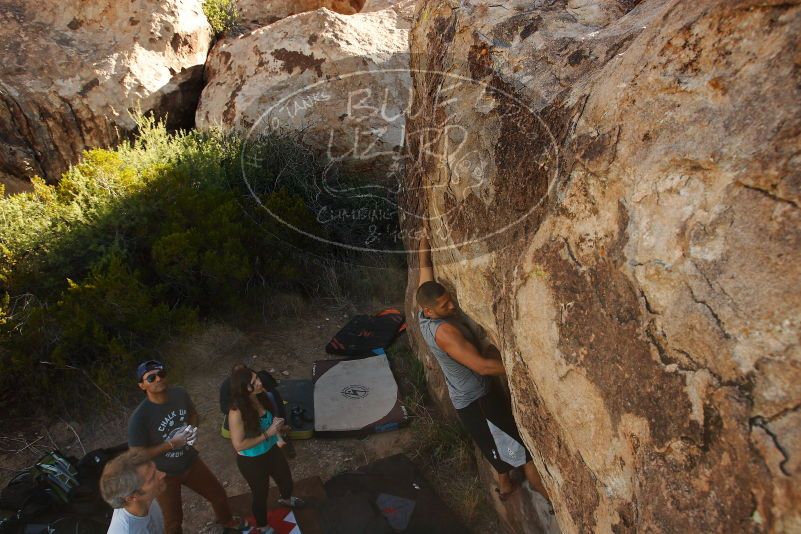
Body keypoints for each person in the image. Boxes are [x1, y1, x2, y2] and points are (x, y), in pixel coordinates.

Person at [415, 235, 552, 504]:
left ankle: (505, 485)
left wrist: (423, 244)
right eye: (445, 306)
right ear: (429, 311)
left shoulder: (425, 314)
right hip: (478, 402)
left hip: (469, 399)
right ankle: (549, 500)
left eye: (449, 299)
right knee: (524, 455)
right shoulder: (446, 333)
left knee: (495, 444)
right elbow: (483, 366)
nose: (452, 306)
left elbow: (424, 273)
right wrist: (525, 371)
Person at [127, 360, 238, 534]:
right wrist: (172, 444)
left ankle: (228, 524)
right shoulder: (140, 417)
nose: (158, 379)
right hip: (163, 475)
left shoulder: (179, 393)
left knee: (218, 495)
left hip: (190, 462)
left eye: (161, 374)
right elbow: (136, 455)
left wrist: (191, 429)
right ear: (142, 385)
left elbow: (193, 414)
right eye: (151, 377)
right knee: (173, 521)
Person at [228, 364, 305, 534]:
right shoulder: (236, 412)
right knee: (260, 495)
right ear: (243, 389)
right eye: (253, 382)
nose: (259, 382)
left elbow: (268, 423)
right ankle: (263, 526)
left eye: (257, 378)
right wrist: (268, 434)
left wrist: (279, 429)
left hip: (271, 450)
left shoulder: (261, 396)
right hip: (252, 460)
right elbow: (238, 444)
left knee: (286, 480)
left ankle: (285, 499)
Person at [99, 450, 167, 534]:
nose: (163, 474)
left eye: (155, 469)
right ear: (131, 497)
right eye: (152, 478)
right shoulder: (126, 531)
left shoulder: (148, 499)